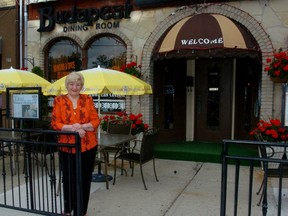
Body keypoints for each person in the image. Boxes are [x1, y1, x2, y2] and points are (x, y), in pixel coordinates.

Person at [51, 72, 100, 216]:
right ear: (67, 85)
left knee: (84, 179)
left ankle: (81, 211)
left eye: (78, 84)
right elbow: (55, 123)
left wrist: (82, 127)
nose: (74, 87)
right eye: (71, 84)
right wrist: (74, 128)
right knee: (68, 178)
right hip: (67, 146)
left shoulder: (88, 99)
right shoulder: (59, 100)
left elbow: (96, 121)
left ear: (81, 86)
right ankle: (68, 209)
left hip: (88, 146)